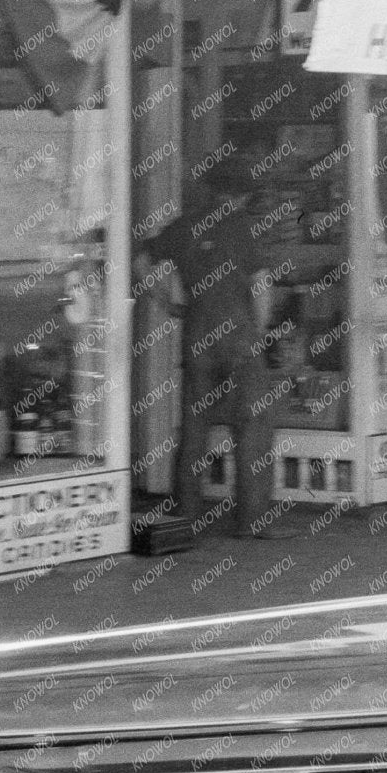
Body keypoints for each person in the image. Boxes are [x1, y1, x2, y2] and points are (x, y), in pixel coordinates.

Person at [131, 137, 287, 536]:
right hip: (239, 334)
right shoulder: (244, 229)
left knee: (195, 427)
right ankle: (252, 520)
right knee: (252, 427)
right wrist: (263, 330)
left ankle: (186, 516)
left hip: (198, 331)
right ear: (242, 194)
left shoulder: (185, 226)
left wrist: (164, 300)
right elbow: (262, 286)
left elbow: (139, 260)